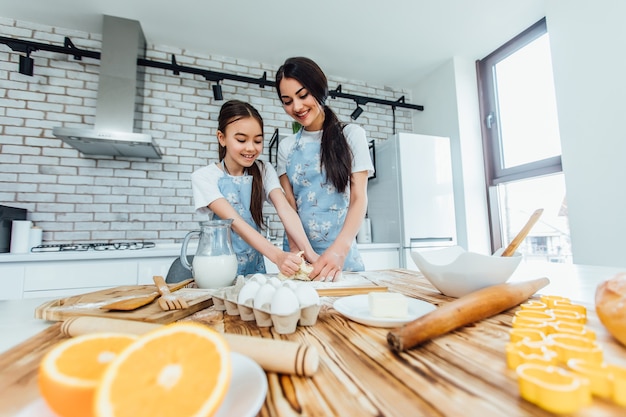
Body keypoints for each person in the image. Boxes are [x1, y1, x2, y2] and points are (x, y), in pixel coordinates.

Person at [191, 99, 318, 277]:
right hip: (218, 268)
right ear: (222, 138)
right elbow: (235, 222)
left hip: (254, 266)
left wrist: (310, 253)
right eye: (241, 140)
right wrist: (277, 256)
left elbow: (285, 209)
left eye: (257, 141)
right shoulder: (204, 177)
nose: (251, 148)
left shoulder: (264, 170)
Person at [275, 57, 374, 281]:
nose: (297, 107)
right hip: (299, 257)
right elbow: (289, 206)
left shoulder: (352, 135)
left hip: (342, 255)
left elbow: (359, 198)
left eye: (303, 95)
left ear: (320, 89)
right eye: (287, 101)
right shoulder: (287, 147)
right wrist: (294, 251)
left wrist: (339, 250)